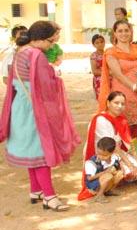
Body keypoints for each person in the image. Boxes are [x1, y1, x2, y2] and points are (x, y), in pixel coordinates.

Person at [0, 20, 80, 211]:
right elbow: (47, 86)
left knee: (32, 151)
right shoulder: (37, 55)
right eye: (51, 41)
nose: (52, 45)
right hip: (34, 110)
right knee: (41, 153)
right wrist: (56, 75)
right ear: (41, 39)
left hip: (21, 107)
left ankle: (35, 190)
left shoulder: (20, 52)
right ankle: (50, 197)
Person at [78, 91, 137, 201]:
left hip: (116, 151)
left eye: (123, 104)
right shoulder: (101, 120)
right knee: (127, 170)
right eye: (116, 103)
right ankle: (103, 190)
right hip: (103, 155)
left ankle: (111, 187)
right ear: (108, 103)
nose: (120, 106)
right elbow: (113, 146)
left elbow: (128, 142)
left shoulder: (121, 119)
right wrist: (131, 166)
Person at [98, 20, 137, 137]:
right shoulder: (111, 52)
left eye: (126, 30)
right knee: (125, 131)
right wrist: (135, 88)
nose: (124, 33)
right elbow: (119, 75)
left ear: (131, 32)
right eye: (120, 31)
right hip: (124, 96)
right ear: (115, 33)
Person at [83, 137, 125, 203]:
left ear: (111, 153)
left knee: (120, 173)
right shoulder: (91, 162)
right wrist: (105, 172)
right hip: (94, 185)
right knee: (108, 176)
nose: (100, 157)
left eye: (104, 155)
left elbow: (119, 164)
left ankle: (109, 190)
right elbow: (89, 178)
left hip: (105, 182)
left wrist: (118, 169)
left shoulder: (114, 157)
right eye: (99, 154)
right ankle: (99, 195)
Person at [89, 34, 105, 99]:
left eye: (101, 42)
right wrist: (108, 73)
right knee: (102, 100)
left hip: (111, 80)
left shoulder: (108, 53)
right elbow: (95, 71)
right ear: (93, 45)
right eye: (97, 43)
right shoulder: (94, 55)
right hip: (100, 81)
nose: (100, 44)